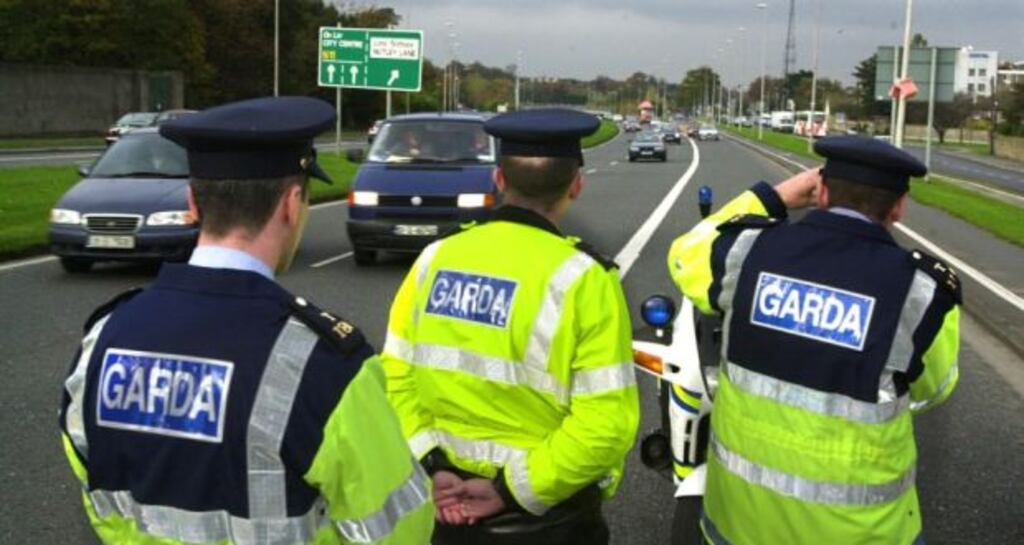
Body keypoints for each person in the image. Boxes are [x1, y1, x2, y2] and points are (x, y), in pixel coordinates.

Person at [57, 96, 433, 545]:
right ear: (292, 205)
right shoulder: (325, 365)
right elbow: (399, 529)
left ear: (193, 203)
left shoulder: (104, 337)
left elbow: (92, 475)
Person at [668, 135, 961, 545]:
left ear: (819, 191)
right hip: (863, 533)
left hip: (739, 525)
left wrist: (774, 197)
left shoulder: (746, 251)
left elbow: (686, 254)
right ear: (898, 208)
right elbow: (933, 391)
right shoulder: (922, 292)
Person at [381, 108, 640, 545]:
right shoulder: (584, 278)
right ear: (576, 185)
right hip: (548, 521)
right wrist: (511, 490)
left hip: (447, 513)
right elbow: (605, 426)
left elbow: (394, 379)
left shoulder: (434, 259)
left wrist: (434, 465)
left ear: (498, 181)